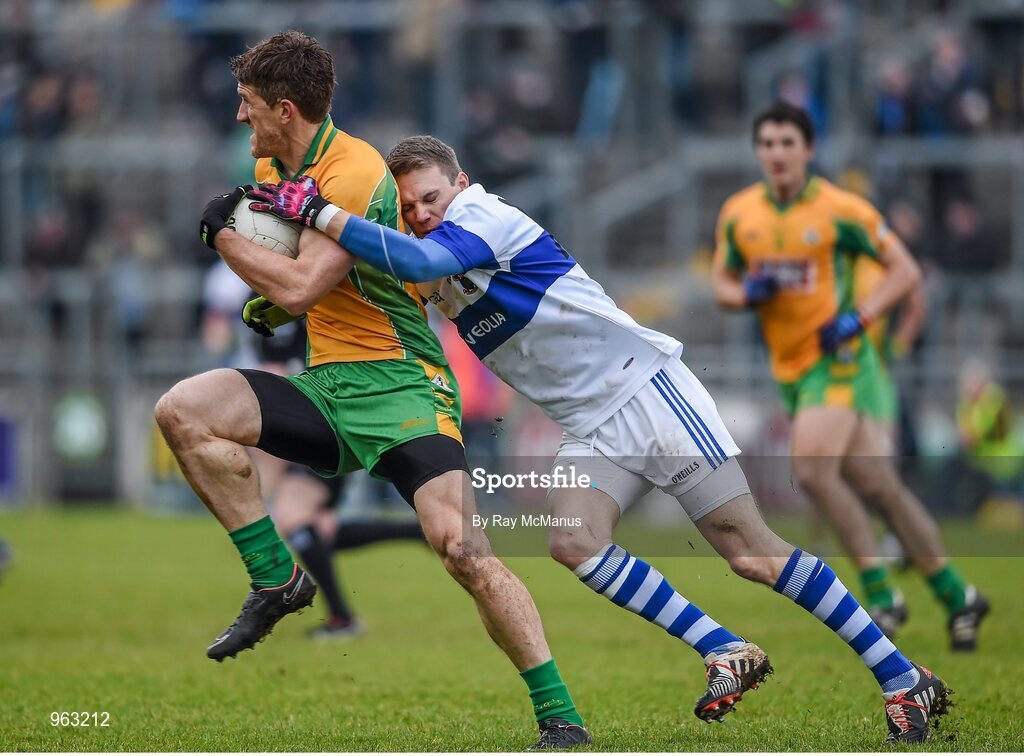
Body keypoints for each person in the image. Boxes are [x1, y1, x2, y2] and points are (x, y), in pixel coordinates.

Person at [247, 135, 950, 744]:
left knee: (752, 554)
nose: (421, 213)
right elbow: (371, 283)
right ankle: (724, 648)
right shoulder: (425, 250)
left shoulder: (483, 216)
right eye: (408, 208)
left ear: (460, 184)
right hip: (593, 423)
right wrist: (278, 296)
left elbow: (419, 266)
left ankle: (902, 676)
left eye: (430, 197)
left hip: (647, 390)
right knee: (574, 542)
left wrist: (319, 211)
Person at [155, 32, 589, 750]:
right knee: (184, 412)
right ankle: (277, 580)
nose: (240, 118)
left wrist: (222, 236)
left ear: (285, 109)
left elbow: (298, 281)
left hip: (402, 387)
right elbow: (298, 285)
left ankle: (560, 716)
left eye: (249, 105)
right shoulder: (272, 161)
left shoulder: (353, 170)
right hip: (326, 385)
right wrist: (268, 299)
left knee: (460, 548)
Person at [710, 101, 989, 650]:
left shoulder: (841, 209)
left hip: (840, 361)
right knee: (880, 487)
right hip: (790, 371)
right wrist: (746, 294)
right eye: (767, 144)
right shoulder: (740, 214)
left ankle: (881, 596)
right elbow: (721, 282)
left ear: (808, 150)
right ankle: (959, 595)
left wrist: (860, 318)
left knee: (812, 472)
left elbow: (905, 271)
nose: (777, 153)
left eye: (788, 142)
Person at [201, 259, 425, 639]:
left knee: (294, 518)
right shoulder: (259, 296)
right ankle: (414, 534)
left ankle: (343, 618)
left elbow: (280, 370)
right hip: (307, 415)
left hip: (326, 414)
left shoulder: (313, 291)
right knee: (317, 527)